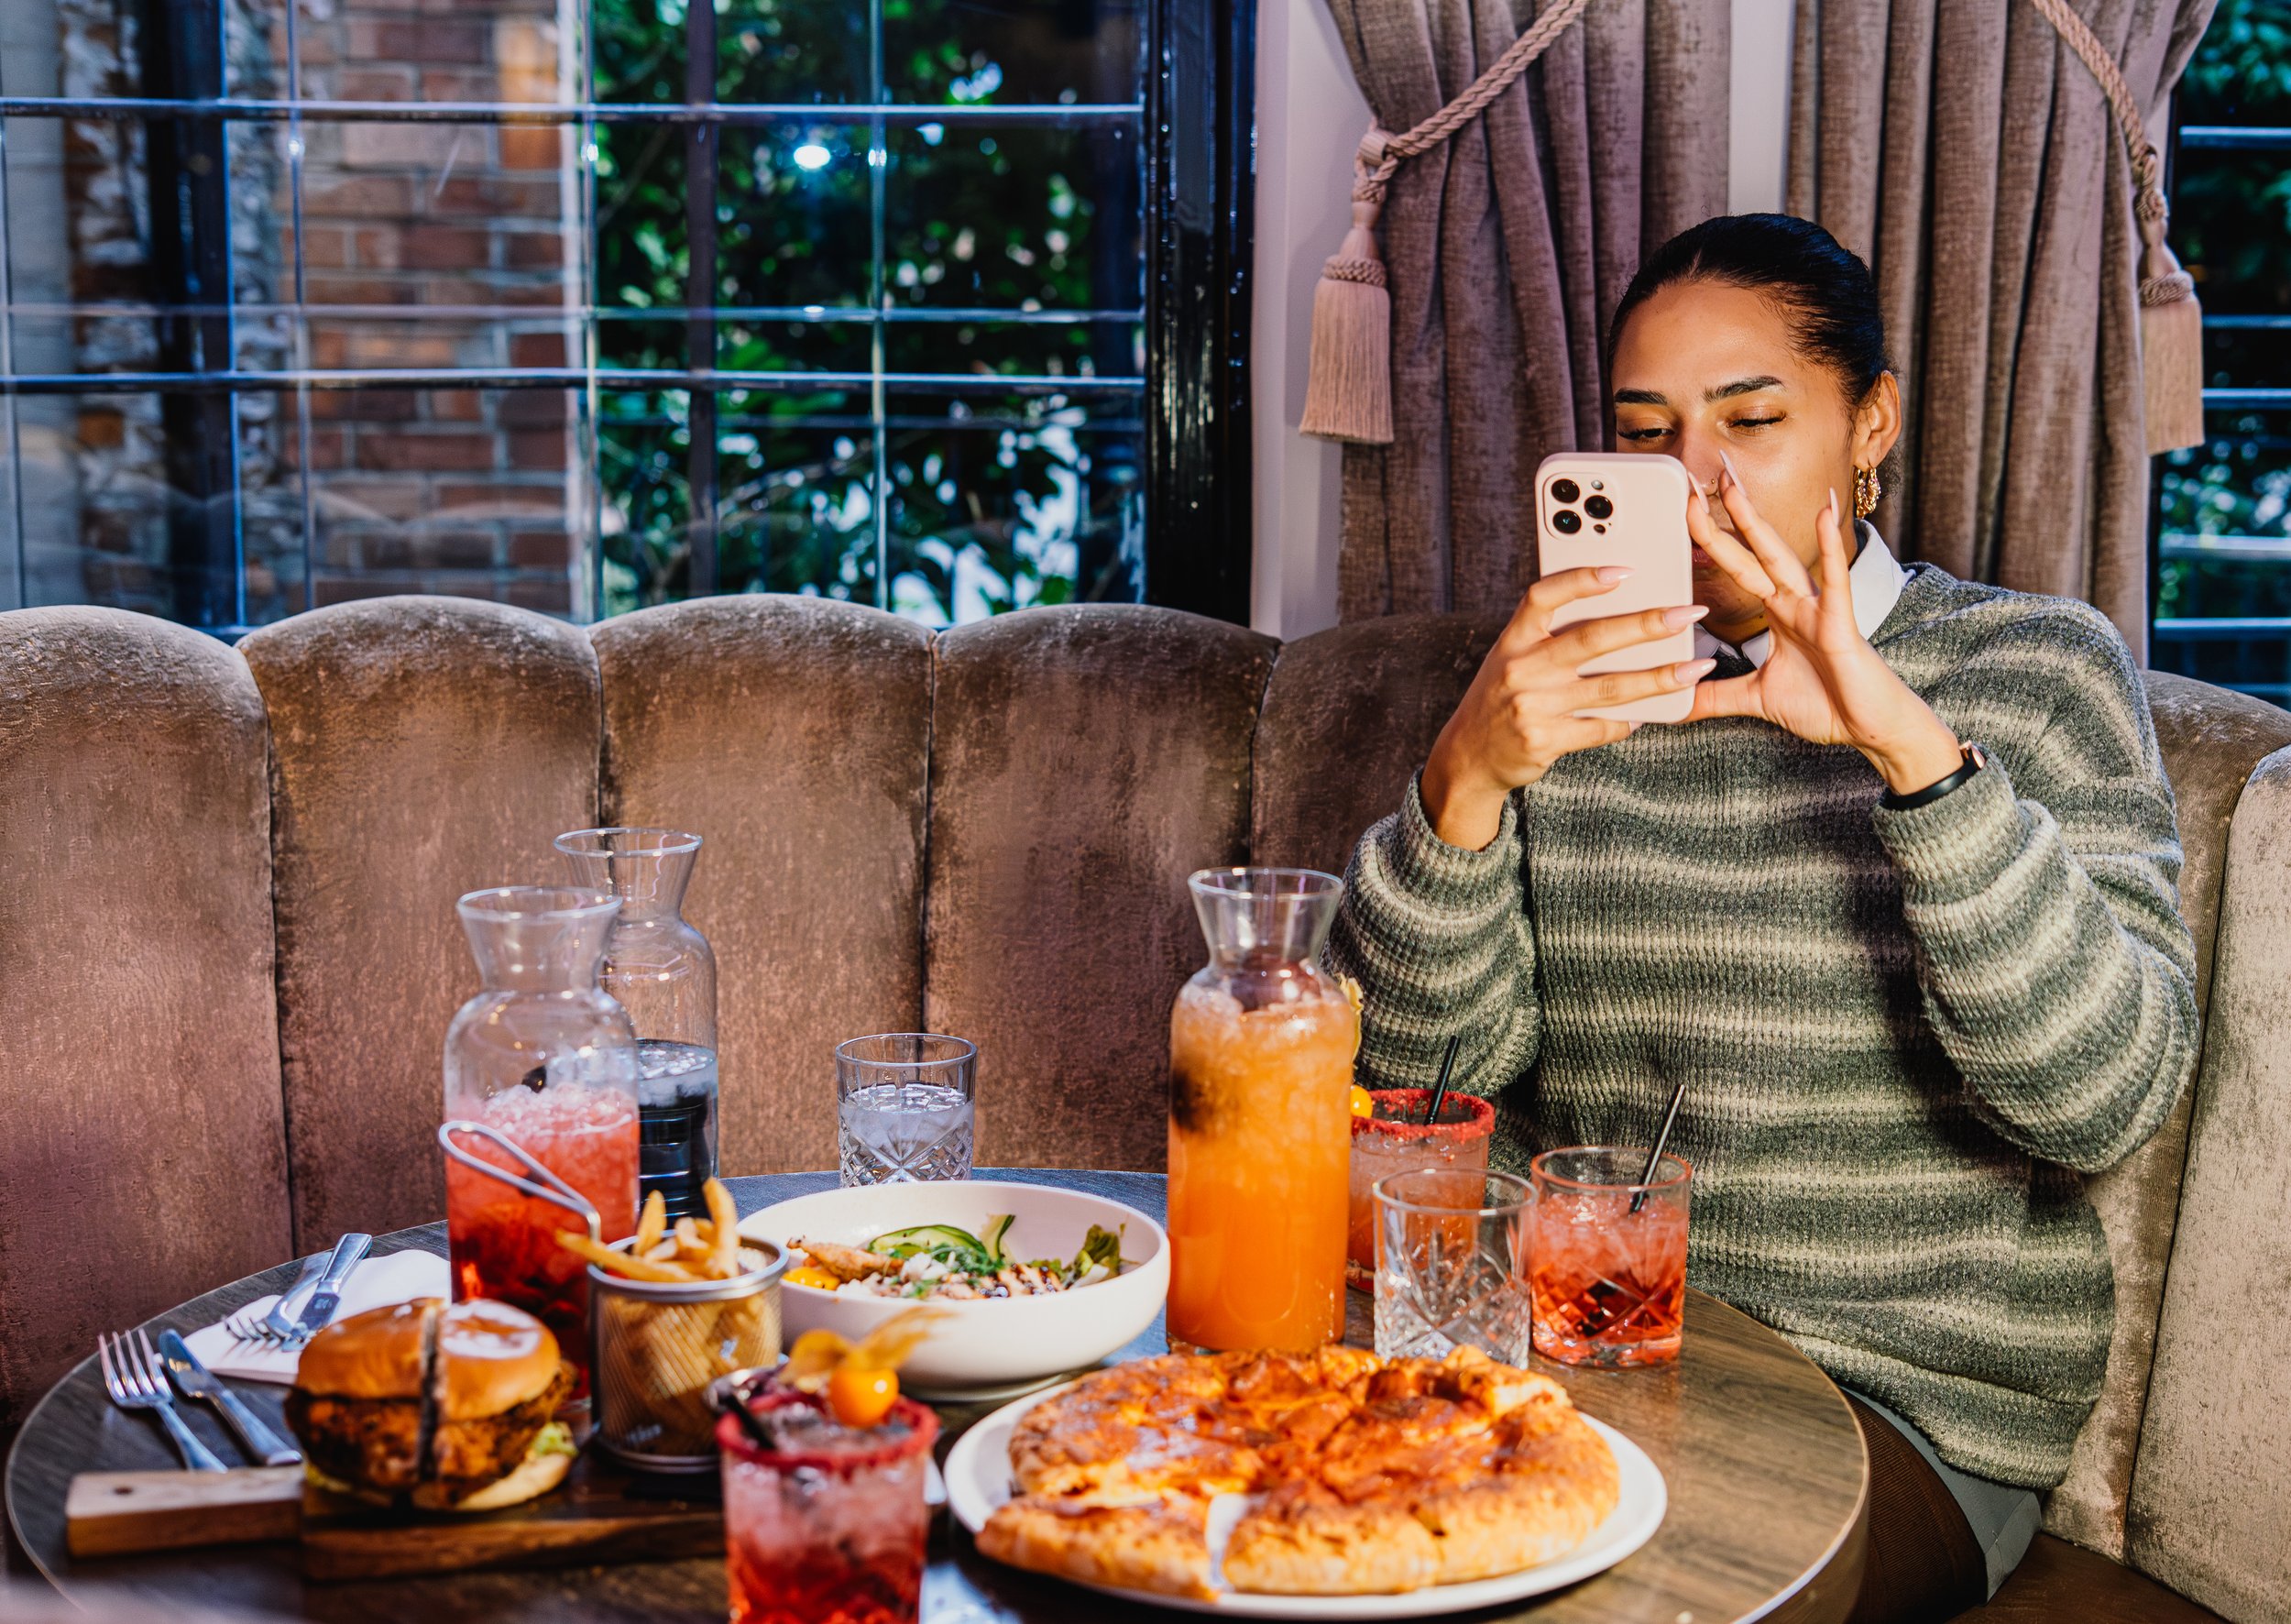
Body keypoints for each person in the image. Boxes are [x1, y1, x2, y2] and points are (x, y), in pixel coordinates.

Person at [1326, 214, 2198, 1620]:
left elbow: (2101, 1101)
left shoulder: (2035, 670)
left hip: (1895, 1409)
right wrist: (1466, 778)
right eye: (1645, 431)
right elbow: (1410, 1093)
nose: (1695, 481)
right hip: (1566, 1358)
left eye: (1751, 417)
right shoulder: (1568, 690)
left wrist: (1912, 757)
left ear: (1872, 423)